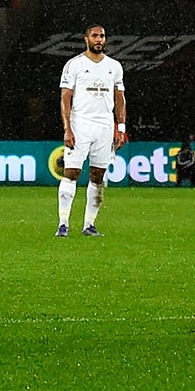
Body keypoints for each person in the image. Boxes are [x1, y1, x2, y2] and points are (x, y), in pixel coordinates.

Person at [57, 24, 127, 237]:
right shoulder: (74, 65)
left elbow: (119, 98)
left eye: (102, 36)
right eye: (95, 36)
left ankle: (89, 224)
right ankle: (63, 224)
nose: (99, 39)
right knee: (71, 173)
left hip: (104, 128)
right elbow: (65, 97)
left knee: (98, 175)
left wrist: (120, 127)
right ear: (86, 39)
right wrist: (67, 128)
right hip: (80, 126)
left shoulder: (114, 66)